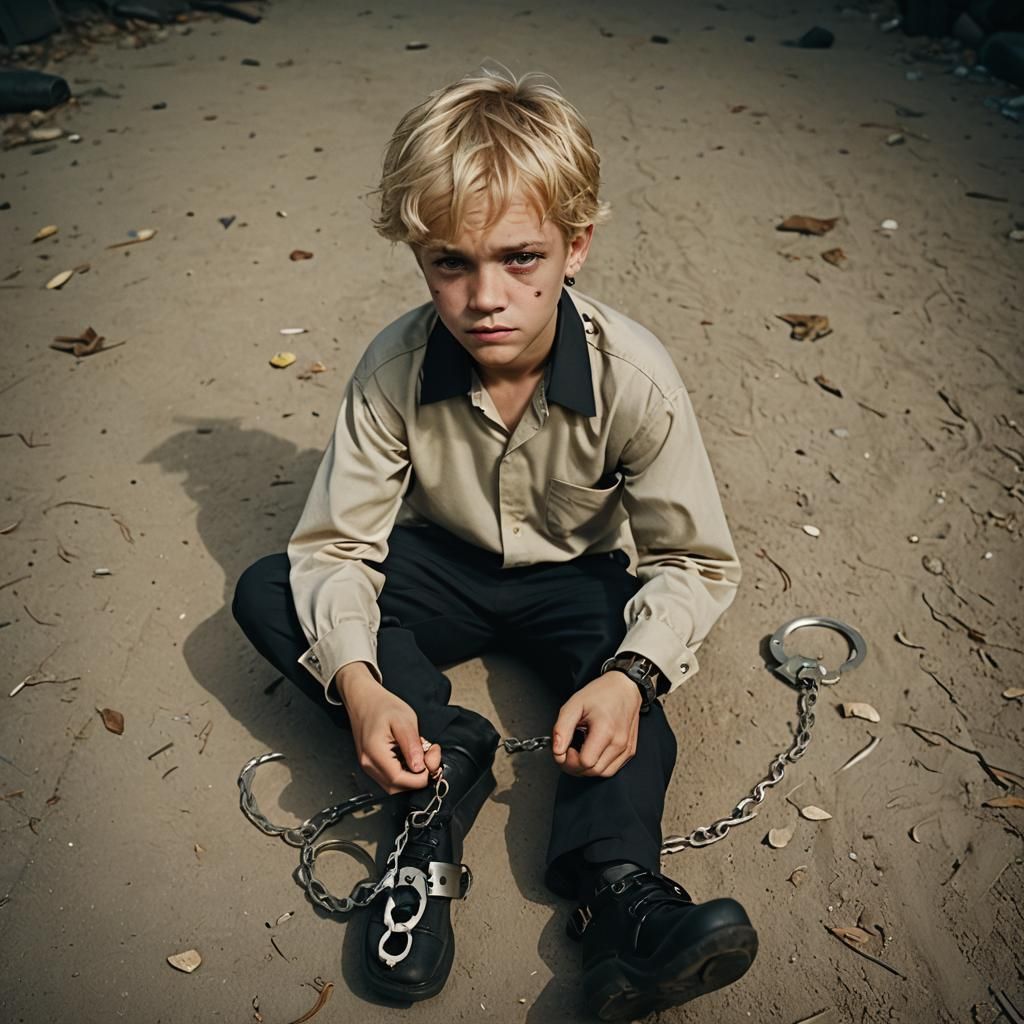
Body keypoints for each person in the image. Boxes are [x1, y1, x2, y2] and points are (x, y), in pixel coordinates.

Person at [233, 66, 757, 1021]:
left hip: (576, 579)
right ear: (420, 258)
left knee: (627, 678)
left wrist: (629, 677)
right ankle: (438, 789)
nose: (485, 298)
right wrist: (360, 687)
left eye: (521, 258)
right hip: (438, 569)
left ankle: (618, 900)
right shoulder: (392, 370)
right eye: (450, 264)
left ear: (576, 246)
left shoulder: (635, 376)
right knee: (271, 588)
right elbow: (335, 550)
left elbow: (694, 562)